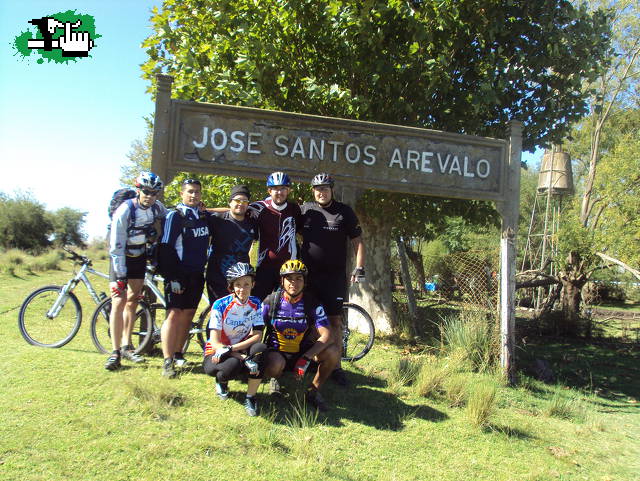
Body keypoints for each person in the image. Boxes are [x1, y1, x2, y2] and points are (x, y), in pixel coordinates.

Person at [300, 172, 366, 387]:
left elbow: (358, 241)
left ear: (332, 190)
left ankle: (336, 366)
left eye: (325, 188)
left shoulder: (344, 212)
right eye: (318, 189)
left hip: (334, 277)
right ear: (313, 191)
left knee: (334, 321)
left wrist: (360, 267)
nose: (321, 192)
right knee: (308, 321)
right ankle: (309, 359)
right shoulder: (306, 210)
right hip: (308, 276)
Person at [105, 171, 167, 371]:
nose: (150, 196)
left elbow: (171, 215)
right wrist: (120, 274)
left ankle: (126, 346)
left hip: (139, 258)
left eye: (154, 193)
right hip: (121, 258)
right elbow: (116, 245)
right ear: (139, 190)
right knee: (118, 301)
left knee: (133, 301)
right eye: (146, 191)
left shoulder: (156, 207)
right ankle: (115, 352)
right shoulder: (125, 210)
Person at [262, 259, 340, 412]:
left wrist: (306, 358)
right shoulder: (270, 302)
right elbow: (256, 329)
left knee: (333, 352)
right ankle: (275, 379)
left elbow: (327, 335)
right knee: (274, 365)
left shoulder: (312, 303)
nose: (294, 283)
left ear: (305, 281)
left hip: (303, 353)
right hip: (277, 353)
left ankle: (313, 391)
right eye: (289, 278)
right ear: (282, 281)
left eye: (299, 278)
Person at [157, 179, 210, 378]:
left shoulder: (202, 216)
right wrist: (172, 277)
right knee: (173, 315)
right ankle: (167, 361)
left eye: (197, 192)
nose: (194, 195)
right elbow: (166, 248)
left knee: (188, 315)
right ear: (182, 194)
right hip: (178, 274)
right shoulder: (174, 216)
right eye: (190, 192)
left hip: (197, 274)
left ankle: (179, 353)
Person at [203, 262, 266, 417]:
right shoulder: (220, 305)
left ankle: (251, 397)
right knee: (231, 366)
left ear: (253, 284)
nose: (242, 289)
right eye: (238, 284)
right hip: (218, 350)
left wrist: (234, 350)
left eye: (246, 284)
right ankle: (221, 382)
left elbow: (258, 335)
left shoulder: (256, 303)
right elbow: (215, 342)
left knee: (260, 350)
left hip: (236, 348)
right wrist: (242, 357)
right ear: (231, 286)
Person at [248, 171, 302, 300]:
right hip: (264, 267)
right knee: (258, 305)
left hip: (289, 268)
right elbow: (234, 209)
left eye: (283, 188)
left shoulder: (295, 209)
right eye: (275, 189)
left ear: (288, 190)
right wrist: (206, 210)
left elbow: (301, 233)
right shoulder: (259, 208)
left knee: (287, 306)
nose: (279, 192)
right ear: (269, 190)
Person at [205, 185, 258, 303]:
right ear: (230, 202)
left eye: (245, 201)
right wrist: (207, 210)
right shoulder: (217, 220)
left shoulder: (253, 222)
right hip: (217, 274)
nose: (241, 204)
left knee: (238, 311)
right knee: (219, 311)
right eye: (237, 200)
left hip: (241, 277)